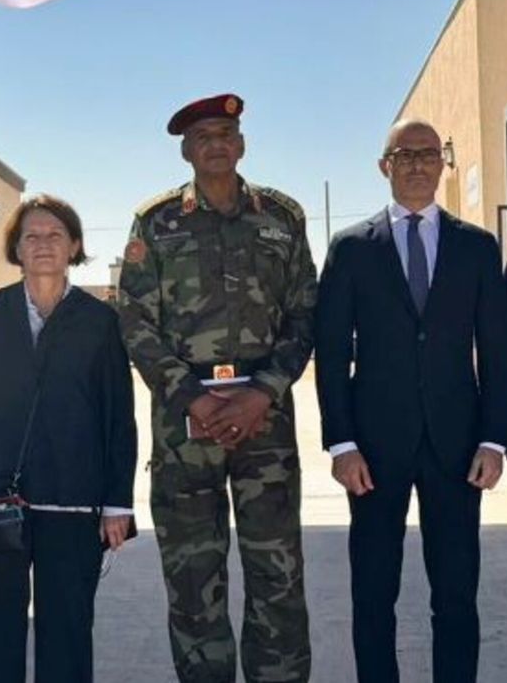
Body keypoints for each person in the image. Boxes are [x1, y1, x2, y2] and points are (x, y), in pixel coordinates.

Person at [118, 94, 317, 683]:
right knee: (193, 581)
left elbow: (306, 314)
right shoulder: (156, 224)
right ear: (187, 150)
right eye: (203, 136)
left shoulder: (282, 219)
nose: (216, 144)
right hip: (186, 431)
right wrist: (196, 398)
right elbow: (135, 321)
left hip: (266, 427)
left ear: (243, 143)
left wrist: (264, 392)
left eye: (226, 132)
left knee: (277, 578)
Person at [314, 119, 507, 683]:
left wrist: (494, 439)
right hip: (374, 451)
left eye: (429, 153)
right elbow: (331, 352)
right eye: (406, 154)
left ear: (444, 164)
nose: (419, 164)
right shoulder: (352, 248)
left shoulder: (476, 246)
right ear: (385, 166)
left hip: (458, 446)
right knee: (374, 595)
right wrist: (342, 443)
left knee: (455, 596)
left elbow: (496, 350)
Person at [0, 194, 137, 683]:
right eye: (31, 236)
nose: (43, 245)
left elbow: (117, 414)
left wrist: (117, 502)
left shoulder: (100, 323)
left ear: (75, 246)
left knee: (69, 627)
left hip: (74, 502)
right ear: (16, 249)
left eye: (55, 235)